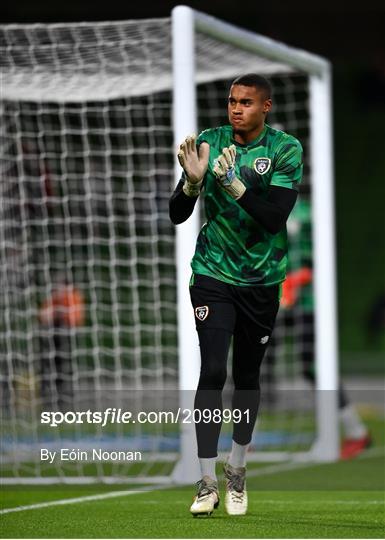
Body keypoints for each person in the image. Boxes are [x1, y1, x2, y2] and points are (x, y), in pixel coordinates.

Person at [169, 73, 303, 517]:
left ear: (265, 107)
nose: (235, 108)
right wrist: (191, 184)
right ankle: (206, 481)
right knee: (212, 371)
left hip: (262, 281)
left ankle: (237, 469)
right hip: (212, 274)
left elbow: (273, 219)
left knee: (247, 377)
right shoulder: (209, 141)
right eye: (231, 101)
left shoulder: (285, 150)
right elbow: (177, 213)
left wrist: (234, 186)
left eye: (246, 102)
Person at [279, 191, 371, 460]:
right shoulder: (264, 206)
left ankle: (355, 431)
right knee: (253, 363)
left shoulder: (306, 214)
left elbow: (319, 260)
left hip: (310, 303)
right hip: (277, 299)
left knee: (314, 366)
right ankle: (246, 437)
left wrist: (293, 283)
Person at [38, 274, 85, 410]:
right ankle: (48, 398)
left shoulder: (73, 298)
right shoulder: (54, 299)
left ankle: (65, 399)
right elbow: (43, 315)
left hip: (67, 337)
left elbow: (76, 318)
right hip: (51, 338)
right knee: (49, 367)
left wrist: (60, 314)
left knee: (64, 368)